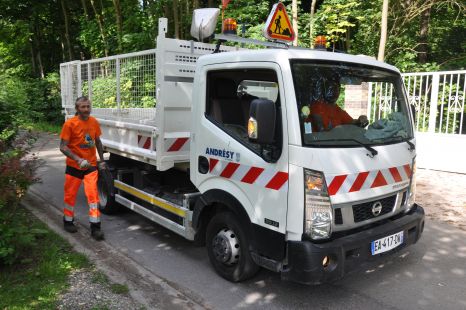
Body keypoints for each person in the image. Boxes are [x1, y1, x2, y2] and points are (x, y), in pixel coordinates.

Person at [59, 96, 107, 240]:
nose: (86, 109)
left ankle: (96, 227)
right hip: (74, 166)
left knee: (93, 196)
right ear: (77, 108)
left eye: (88, 106)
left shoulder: (94, 122)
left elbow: (97, 142)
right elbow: (63, 146)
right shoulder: (70, 124)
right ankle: (68, 221)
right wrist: (78, 159)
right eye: (83, 107)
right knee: (70, 195)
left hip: (91, 165)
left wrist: (102, 160)